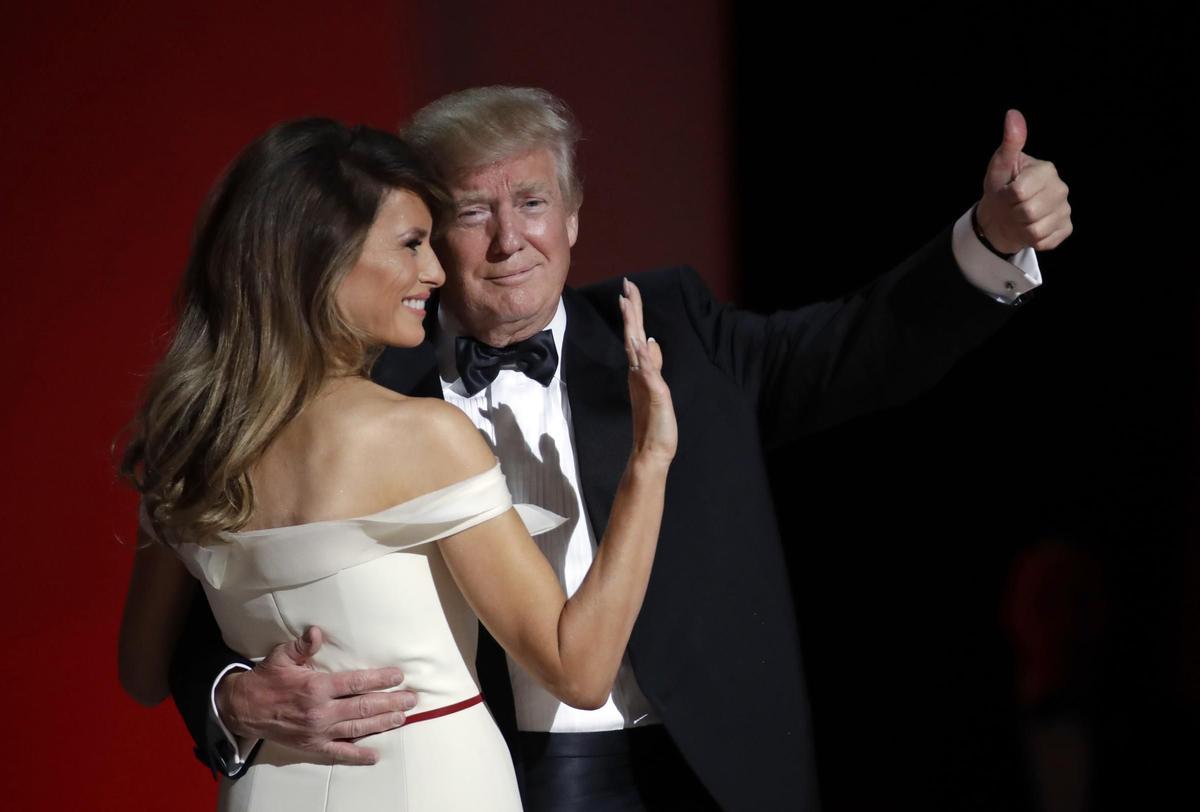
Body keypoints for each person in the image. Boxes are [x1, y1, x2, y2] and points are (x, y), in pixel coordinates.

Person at [171, 87, 1072, 810]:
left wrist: (989, 243)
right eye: (471, 210)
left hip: (705, 769)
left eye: (531, 203)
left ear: (573, 219)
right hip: (481, 781)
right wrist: (233, 698)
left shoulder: (676, 329)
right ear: (427, 234)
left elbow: (856, 347)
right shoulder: (361, 398)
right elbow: (208, 607)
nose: (507, 238)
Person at [117, 117, 678, 811]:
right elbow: (580, 670)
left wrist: (233, 696)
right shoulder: (422, 439)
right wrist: (648, 464)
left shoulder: (184, 442)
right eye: (411, 244)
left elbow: (142, 672)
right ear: (320, 259)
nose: (435, 271)